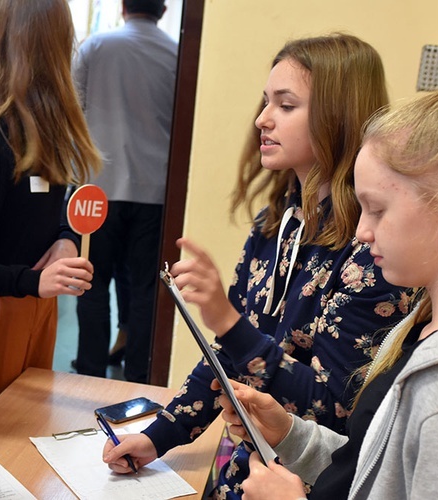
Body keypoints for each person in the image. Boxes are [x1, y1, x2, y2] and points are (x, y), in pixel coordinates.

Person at [102, 33, 415, 497]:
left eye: (285, 106)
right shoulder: (274, 224)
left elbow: (334, 408)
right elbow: (227, 359)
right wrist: (158, 436)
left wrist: (229, 325)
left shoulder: (373, 251)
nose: (261, 119)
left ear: (337, 117)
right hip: (242, 471)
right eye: (266, 102)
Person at [217, 69, 438, 500]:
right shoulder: (420, 325)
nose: (362, 231)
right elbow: (374, 470)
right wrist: (292, 435)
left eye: (377, 210)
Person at [0, 0, 101, 432]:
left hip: (38, 306)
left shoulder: (49, 128)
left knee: (30, 429)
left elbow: (57, 208)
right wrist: (31, 282)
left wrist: (67, 237)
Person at [73, 0, 178, 383]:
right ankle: (139, 376)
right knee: (146, 290)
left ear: (122, 6)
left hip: (98, 189)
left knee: (91, 282)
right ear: (163, 10)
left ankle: (88, 373)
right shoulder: (176, 54)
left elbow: (75, 108)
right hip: (156, 192)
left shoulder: (95, 47)